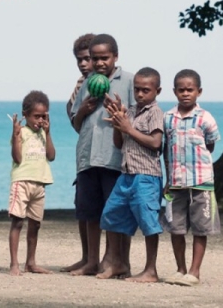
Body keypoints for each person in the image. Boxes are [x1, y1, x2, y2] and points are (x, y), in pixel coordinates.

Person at [69, 34, 134, 276]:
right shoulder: (87, 83)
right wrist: (83, 110)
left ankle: (116, 261)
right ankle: (92, 261)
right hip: (88, 157)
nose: (99, 63)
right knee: (90, 212)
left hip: (114, 158)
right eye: (94, 58)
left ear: (115, 57)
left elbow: (135, 121)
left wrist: (120, 114)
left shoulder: (128, 81)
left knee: (115, 211)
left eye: (104, 58)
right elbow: (77, 124)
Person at [98, 67, 164, 282]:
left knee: (148, 222)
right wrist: (119, 124)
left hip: (146, 176)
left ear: (157, 91)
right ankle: (118, 263)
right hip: (126, 174)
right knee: (111, 214)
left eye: (146, 90)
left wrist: (129, 129)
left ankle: (150, 270)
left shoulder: (155, 112)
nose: (140, 94)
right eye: (137, 89)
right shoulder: (131, 111)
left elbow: (155, 143)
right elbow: (119, 144)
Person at [160, 69, 221, 286]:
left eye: (190, 90)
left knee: (200, 228)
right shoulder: (167, 119)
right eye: (181, 90)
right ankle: (180, 269)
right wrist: (168, 179)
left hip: (201, 183)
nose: (185, 94)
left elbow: (210, 145)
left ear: (199, 91)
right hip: (176, 183)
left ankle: (194, 272)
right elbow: (166, 151)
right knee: (175, 227)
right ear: (174, 91)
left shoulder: (205, 118)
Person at [8, 90, 55, 276]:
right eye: (36, 116)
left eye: (44, 116)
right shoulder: (22, 133)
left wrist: (48, 133)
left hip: (40, 183)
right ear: (25, 114)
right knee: (17, 222)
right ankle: (14, 263)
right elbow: (17, 158)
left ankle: (31, 262)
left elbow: (51, 156)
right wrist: (16, 138)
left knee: (35, 224)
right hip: (22, 182)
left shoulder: (43, 133)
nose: (40, 120)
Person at [61, 33, 97, 273]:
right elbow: (73, 118)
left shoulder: (108, 82)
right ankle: (87, 257)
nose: (83, 64)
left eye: (87, 59)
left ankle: (103, 259)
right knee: (84, 210)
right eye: (79, 60)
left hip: (107, 155)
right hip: (85, 154)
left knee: (105, 211)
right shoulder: (79, 86)